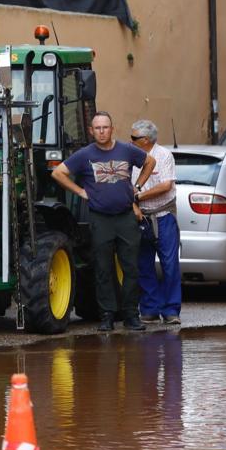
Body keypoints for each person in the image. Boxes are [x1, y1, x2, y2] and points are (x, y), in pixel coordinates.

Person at [53, 111, 155, 332]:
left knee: (131, 268)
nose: (101, 131)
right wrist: (80, 191)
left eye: (105, 127)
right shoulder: (84, 154)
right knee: (102, 269)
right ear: (91, 131)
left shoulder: (127, 150)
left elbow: (150, 161)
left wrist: (137, 188)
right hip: (100, 219)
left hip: (126, 217)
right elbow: (58, 173)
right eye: (97, 128)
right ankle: (107, 315)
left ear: (112, 129)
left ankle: (131, 315)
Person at [130, 119, 182, 325]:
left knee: (169, 265)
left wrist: (139, 196)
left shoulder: (163, 155)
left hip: (164, 216)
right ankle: (150, 308)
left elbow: (166, 185)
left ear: (145, 140)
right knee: (144, 265)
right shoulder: (132, 156)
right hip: (140, 216)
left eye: (134, 138)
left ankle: (171, 310)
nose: (130, 141)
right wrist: (134, 206)